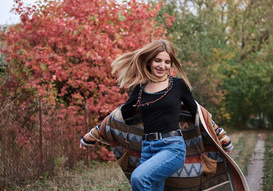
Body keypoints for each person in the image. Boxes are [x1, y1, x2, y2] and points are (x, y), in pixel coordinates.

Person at [80, 39, 233, 191]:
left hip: (173, 148)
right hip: (148, 148)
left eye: (167, 62)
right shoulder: (140, 88)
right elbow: (121, 116)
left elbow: (198, 114)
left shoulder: (178, 85)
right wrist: (94, 134)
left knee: (139, 177)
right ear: (149, 61)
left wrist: (220, 135)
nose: (162, 65)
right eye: (158, 60)